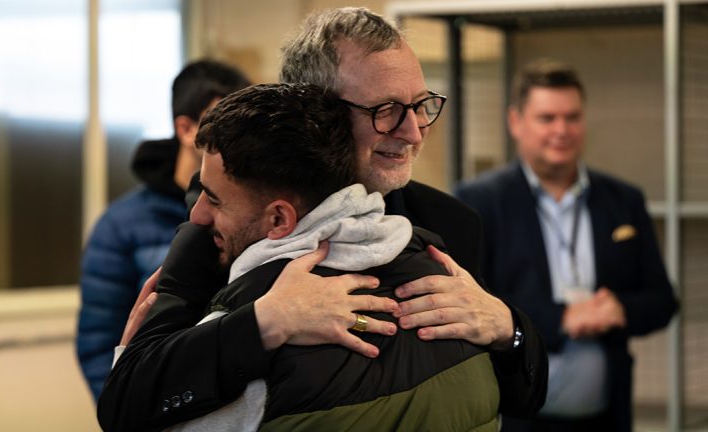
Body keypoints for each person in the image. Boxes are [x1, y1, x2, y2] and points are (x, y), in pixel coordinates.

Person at [101, 7, 548, 428]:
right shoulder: (223, 214)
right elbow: (132, 399)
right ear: (318, 113)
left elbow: (518, 399)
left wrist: (507, 328)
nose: (413, 132)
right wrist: (265, 322)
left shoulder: (450, 222)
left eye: (420, 104)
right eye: (386, 110)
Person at [455, 59, 679, 432]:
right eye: (547, 118)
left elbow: (663, 300)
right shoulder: (478, 202)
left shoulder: (623, 200)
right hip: (515, 420)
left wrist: (620, 309)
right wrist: (561, 318)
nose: (562, 130)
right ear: (516, 122)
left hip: (606, 418)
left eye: (572, 117)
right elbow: (469, 303)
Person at [76, 59, 250, 401]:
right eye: (222, 124)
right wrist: (130, 413)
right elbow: (99, 345)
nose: (238, 140)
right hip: (158, 403)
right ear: (186, 129)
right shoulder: (122, 225)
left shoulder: (250, 213)